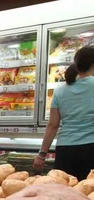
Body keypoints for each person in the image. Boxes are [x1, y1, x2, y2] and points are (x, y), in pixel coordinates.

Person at [34, 46, 94, 180]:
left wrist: (42, 154)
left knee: (65, 194)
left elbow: (53, 125)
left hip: (65, 151)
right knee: (89, 193)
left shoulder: (60, 91)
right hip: (91, 148)